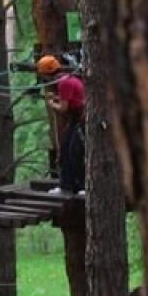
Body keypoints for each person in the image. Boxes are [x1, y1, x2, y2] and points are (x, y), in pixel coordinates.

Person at [40, 54, 87, 194]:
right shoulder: (66, 78)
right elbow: (70, 99)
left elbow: (63, 108)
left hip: (83, 119)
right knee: (66, 149)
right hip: (77, 118)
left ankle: (84, 186)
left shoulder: (64, 82)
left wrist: (51, 104)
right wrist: (56, 98)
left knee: (75, 152)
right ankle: (66, 185)